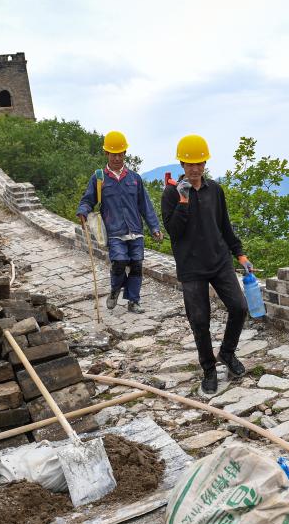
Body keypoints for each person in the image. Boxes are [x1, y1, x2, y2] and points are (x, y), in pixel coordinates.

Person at [161, 134, 252, 395]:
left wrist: (240, 254)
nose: (195, 168)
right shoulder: (171, 193)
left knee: (239, 307)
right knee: (200, 320)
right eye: (190, 164)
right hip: (191, 268)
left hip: (219, 260)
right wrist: (183, 201)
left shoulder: (215, 189)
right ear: (181, 163)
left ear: (205, 163)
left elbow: (223, 225)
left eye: (199, 163)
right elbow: (174, 232)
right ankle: (209, 370)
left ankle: (227, 353)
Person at [77, 131, 163, 314]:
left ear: (125, 153)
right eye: (113, 154)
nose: (117, 157)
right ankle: (116, 289)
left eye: (120, 153)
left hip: (135, 230)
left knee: (137, 265)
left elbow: (145, 205)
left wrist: (154, 227)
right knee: (120, 261)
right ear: (106, 154)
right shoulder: (99, 178)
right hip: (114, 231)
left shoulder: (134, 178)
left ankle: (133, 301)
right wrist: (83, 211)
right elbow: (87, 200)